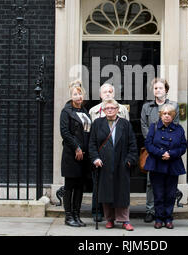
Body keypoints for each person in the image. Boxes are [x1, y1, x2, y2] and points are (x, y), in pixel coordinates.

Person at [89, 99, 138, 231]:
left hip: (121, 163)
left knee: (121, 192)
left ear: (117, 110)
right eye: (107, 108)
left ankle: (124, 220)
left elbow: (132, 144)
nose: (110, 110)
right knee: (106, 192)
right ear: (103, 110)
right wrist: (95, 159)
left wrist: (130, 160)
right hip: (104, 163)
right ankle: (109, 219)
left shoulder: (125, 124)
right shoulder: (97, 123)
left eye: (112, 108)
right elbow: (92, 144)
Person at [89, 83, 129, 222]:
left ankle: (119, 217)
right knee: (100, 186)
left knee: (119, 187)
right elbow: (91, 137)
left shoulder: (122, 110)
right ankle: (98, 212)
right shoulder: (93, 111)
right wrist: (94, 156)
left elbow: (126, 134)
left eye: (110, 91)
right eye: (105, 92)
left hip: (118, 155)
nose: (107, 94)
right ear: (100, 95)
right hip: (101, 155)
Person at [140, 78, 179, 223]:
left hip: (169, 152)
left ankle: (165, 213)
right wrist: (154, 147)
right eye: (155, 88)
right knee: (151, 182)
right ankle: (150, 210)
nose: (158, 91)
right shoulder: (146, 107)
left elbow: (175, 128)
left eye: (161, 88)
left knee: (168, 183)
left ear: (166, 90)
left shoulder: (174, 105)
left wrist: (166, 150)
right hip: (153, 151)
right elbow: (144, 126)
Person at [144, 103, 186, 229]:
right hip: (157, 164)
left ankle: (168, 218)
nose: (167, 116)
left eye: (169, 114)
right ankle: (158, 218)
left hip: (173, 164)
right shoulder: (154, 127)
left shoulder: (179, 129)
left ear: (173, 116)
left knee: (170, 194)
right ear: (160, 115)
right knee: (158, 193)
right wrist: (161, 153)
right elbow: (148, 144)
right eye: (164, 114)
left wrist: (171, 154)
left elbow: (183, 146)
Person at [59, 80, 91, 227]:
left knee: (79, 186)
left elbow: (87, 132)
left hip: (83, 155)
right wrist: (77, 148)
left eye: (80, 94)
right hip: (71, 155)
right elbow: (65, 132)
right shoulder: (66, 111)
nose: (78, 96)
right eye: (75, 94)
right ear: (71, 96)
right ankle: (68, 216)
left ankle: (77, 215)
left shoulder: (84, 111)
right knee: (70, 185)